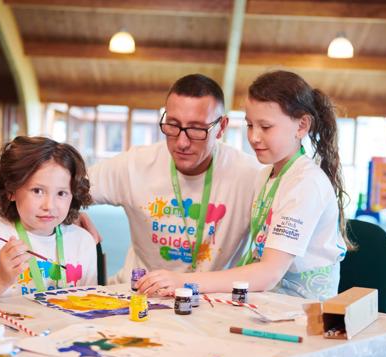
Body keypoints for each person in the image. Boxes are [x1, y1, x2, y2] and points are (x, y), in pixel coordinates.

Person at [138, 70, 348, 300]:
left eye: (265, 127)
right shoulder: (265, 175)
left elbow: (269, 272)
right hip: (268, 302)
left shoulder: (306, 183)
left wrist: (184, 280)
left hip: (303, 315)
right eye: (250, 125)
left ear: (301, 126)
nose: (254, 137)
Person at [86, 74, 260, 285]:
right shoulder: (135, 164)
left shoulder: (250, 175)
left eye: (196, 129)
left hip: (210, 302)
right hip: (136, 294)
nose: (182, 142)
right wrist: (72, 212)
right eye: (173, 125)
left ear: (221, 127)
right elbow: (67, 188)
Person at [0, 137, 97, 303]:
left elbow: (90, 306)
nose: (49, 205)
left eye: (61, 193)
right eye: (37, 191)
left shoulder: (82, 241)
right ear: (11, 190)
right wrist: (0, 278)